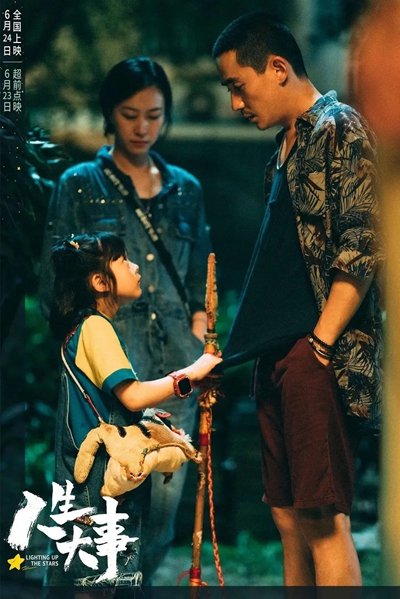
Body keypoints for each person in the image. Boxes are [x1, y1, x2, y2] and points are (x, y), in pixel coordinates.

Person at [212, 13, 383, 586]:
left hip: (315, 355)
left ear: (279, 68)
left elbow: (363, 245)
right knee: (287, 518)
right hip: (277, 354)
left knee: (322, 518)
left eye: (239, 85)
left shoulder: (340, 127)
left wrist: (320, 345)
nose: (236, 103)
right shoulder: (282, 150)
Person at [39, 57, 212, 582]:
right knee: (92, 508)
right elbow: (53, 281)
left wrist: (198, 344)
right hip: (109, 375)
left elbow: (201, 276)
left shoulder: (186, 188)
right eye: (129, 115)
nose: (142, 128)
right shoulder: (79, 183)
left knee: (158, 518)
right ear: (109, 114)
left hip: (176, 370)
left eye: (154, 116)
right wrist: (79, 352)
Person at [44, 231, 221, 598]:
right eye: (124, 261)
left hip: (87, 479)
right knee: (95, 585)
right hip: (97, 484)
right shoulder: (95, 327)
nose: (136, 267)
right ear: (99, 282)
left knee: (93, 581)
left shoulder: (86, 328)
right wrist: (193, 371)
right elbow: (134, 395)